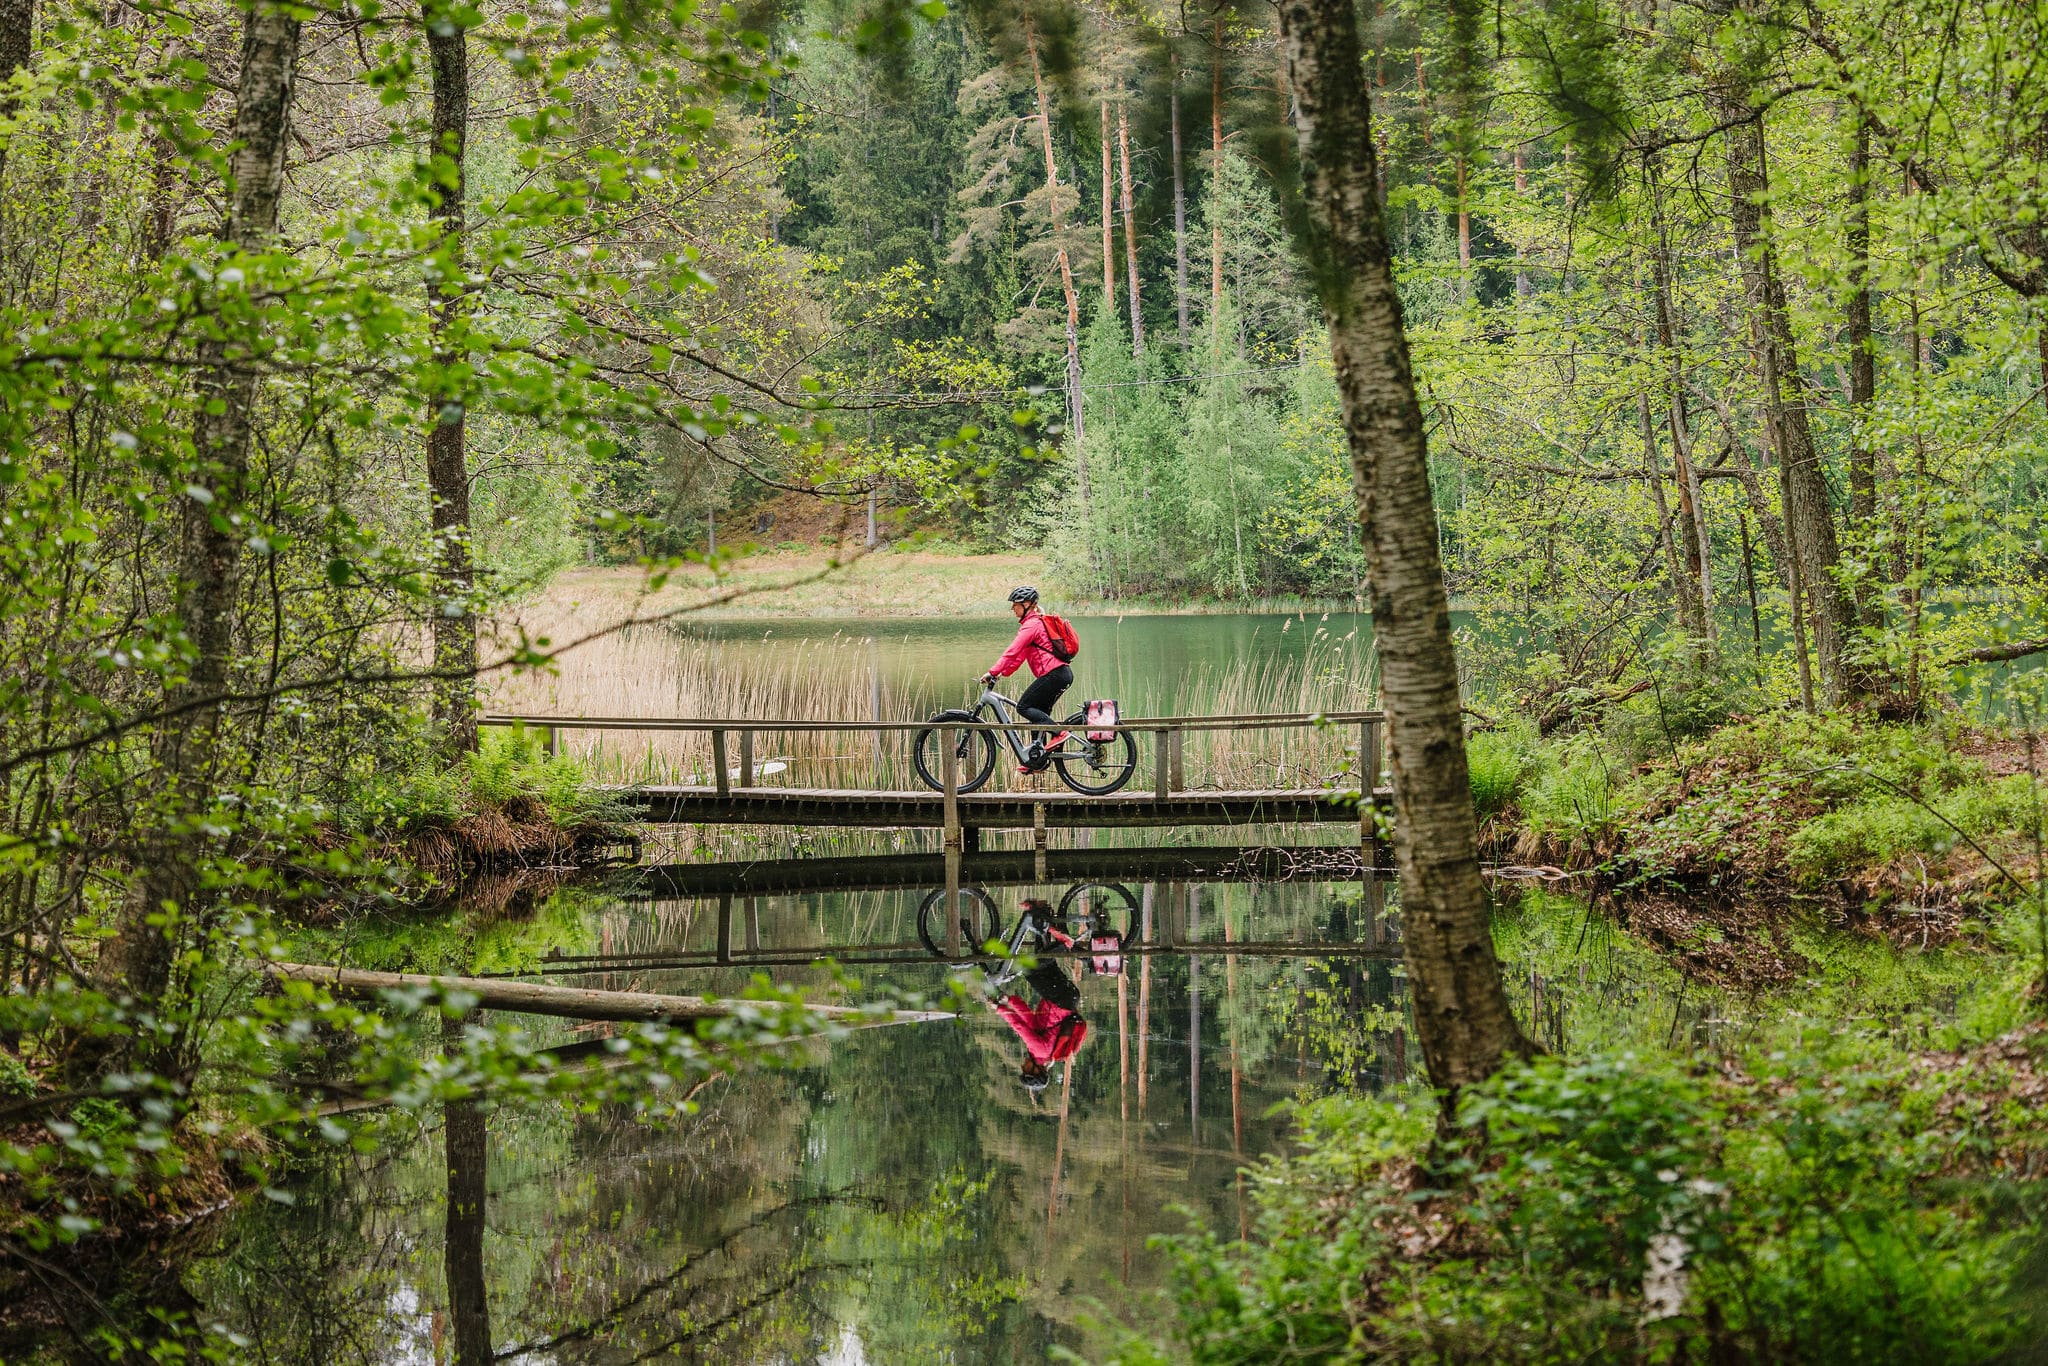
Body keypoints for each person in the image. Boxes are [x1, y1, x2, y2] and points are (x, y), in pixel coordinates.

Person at [990, 900, 1088, 1094]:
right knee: (1029, 969)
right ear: (1036, 1070)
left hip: (1066, 999)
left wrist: (1006, 1000)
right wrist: (999, 1009)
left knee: (1041, 958)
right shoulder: (1041, 1051)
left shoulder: (1042, 1050)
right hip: (1060, 1000)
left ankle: (1040, 914)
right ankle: (1065, 943)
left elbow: (1026, 1016)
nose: (1022, 1065)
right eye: (1026, 1069)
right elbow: (1018, 1027)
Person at [981, 585, 1070, 771]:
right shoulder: (1034, 624)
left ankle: (1059, 732)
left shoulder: (1032, 625)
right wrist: (1001, 673)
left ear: (1027, 604)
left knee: (1024, 707)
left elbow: (1011, 651)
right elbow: (1018, 657)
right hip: (1060, 674)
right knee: (1037, 714)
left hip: (1054, 674)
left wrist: (993, 671)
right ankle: (1036, 760)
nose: (1013, 608)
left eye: (1015, 604)